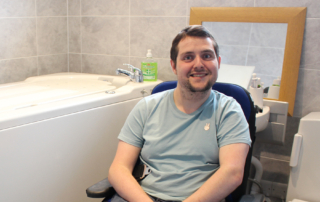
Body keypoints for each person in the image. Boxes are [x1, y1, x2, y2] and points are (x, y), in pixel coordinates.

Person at [108, 25, 251, 202]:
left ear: (218, 63)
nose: (198, 64)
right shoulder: (146, 107)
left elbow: (232, 173)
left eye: (207, 56)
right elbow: (119, 169)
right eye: (188, 57)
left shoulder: (229, 111)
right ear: (174, 66)